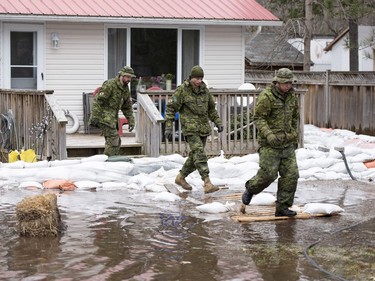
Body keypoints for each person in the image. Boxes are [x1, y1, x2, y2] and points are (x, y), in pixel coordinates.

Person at [241, 68, 300, 217]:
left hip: (287, 144)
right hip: (270, 145)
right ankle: (251, 189)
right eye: (285, 83)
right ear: (277, 82)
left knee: (291, 175)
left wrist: (294, 133)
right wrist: (269, 135)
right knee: (268, 175)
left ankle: (282, 208)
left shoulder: (292, 97)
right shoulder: (267, 96)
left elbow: (295, 117)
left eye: (290, 83)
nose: (288, 86)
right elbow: (259, 118)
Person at [165, 65, 223, 193]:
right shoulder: (182, 91)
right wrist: (169, 126)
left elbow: (211, 110)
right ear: (191, 78)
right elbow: (171, 108)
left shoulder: (205, 91)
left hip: (203, 128)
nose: (199, 81)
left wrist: (218, 122)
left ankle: (180, 177)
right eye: (197, 78)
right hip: (190, 128)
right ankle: (207, 182)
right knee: (199, 153)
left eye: (201, 78)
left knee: (195, 156)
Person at [89, 66, 136, 156]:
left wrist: (131, 121)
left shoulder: (125, 89)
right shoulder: (110, 84)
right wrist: (95, 116)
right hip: (103, 116)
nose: (129, 79)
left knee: (116, 140)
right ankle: (108, 160)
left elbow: (126, 107)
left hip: (113, 118)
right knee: (113, 139)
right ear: (122, 75)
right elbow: (98, 101)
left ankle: (112, 158)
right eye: (128, 77)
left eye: (131, 77)